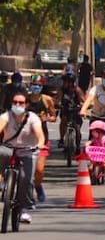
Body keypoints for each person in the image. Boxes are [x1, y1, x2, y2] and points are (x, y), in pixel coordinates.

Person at [0, 90, 46, 223]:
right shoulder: (6, 116)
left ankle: (24, 209)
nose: (18, 105)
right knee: (1, 153)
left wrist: (40, 144)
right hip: (9, 148)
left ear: (26, 104)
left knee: (26, 179)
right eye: (15, 102)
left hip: (28, 150)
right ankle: (3, 182)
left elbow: (39, 134)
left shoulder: (33, 118)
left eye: (21, 103)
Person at [27, 75, 56, 203]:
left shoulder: (47, 100)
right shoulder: (24, 100)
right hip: (26, 138)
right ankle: (27, 193)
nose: (36, 87)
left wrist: (48, 119)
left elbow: (53, 116)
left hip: (42, 139)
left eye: (38, 85)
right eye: (34, 84)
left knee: (39, 170)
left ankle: (38, 186)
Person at [58, 72, 85, 150]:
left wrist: (83, 106)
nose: (64, 83)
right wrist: (57, 103)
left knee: (77, 128)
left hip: (75, 110)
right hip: (65, 109)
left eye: (66, 81)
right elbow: (57, 99)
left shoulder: (77, 90)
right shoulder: (62, 89)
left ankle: (78, 146)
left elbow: (83, 100)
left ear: (71, 82)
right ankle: (61, 139)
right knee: (63, 120)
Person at [85, 119, 105, 184]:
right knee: (90, 167)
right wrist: (87, 144)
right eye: (92, 131)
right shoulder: (94, 139)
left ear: (100, 131)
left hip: (104, 155)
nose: (93, 133)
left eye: (94, 131)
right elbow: (90, 142)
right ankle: (89, 177)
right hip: (95, 155)